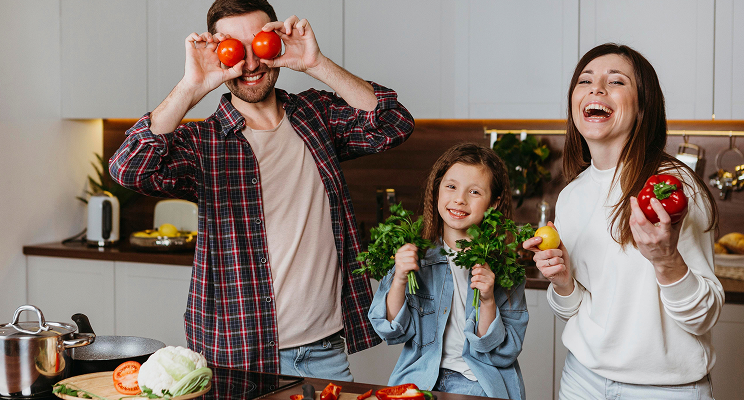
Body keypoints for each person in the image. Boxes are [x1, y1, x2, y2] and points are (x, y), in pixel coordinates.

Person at [109, 0, 415, 379]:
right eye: (234, 50)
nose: (251, 64)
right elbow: (128, 168)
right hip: (239, 354)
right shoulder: (203, 142)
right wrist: (192, 86)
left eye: (260, 44)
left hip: (326, 350)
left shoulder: (316, 116)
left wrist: (316, 62)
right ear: (218, 55)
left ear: (276, 41)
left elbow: (393, 122)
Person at [523, 43, 722, 399]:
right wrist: (563, 281)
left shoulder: (669, 188)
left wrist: (667, 261)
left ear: (643, 107)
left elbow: (703, 317)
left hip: (665, 391)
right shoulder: (571, 195)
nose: (596, 88)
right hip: (581, 381)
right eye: (585, 80)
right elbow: (578, 312)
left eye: (616, 81)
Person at [369, 143, 528, 400]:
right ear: (437, 190)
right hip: (420, 378)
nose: (459, 199)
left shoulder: (505, 270)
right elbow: (391, 331)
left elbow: (502, 352)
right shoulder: (414, 255)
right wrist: (399, 278)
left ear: (494, 202)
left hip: (478, 382)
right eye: (451, 186)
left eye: (474, 191)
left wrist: (487, 299)